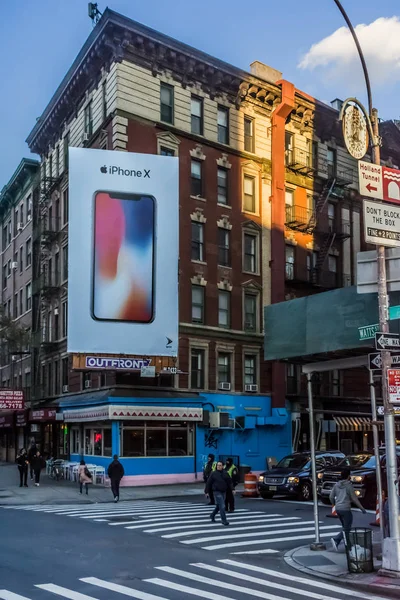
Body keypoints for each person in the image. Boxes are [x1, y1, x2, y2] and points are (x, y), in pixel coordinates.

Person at [330, 467, 367, 551]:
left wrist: (334, 504)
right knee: (347, 528)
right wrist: (362, 508)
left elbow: (331, 496)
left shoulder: (336, 485)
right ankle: (336, 539)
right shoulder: (349, 486)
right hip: (346, 509)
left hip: (338, 509)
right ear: (348, 476)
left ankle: (349, 546)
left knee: (345, 527)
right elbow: (354, 499)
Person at [205, 460, 232, 526]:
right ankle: (224, 520)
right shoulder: (213, 473)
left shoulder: (225, 473)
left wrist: (233, 489)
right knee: (222, 506)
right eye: (217, 465)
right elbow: (208, 483)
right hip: (216, 491)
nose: (218, 466)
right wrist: (206, 491)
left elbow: (229, 482)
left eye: (220, 465)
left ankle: (212, 515)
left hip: (223, 491)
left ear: (223, 466)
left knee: (219, 505)